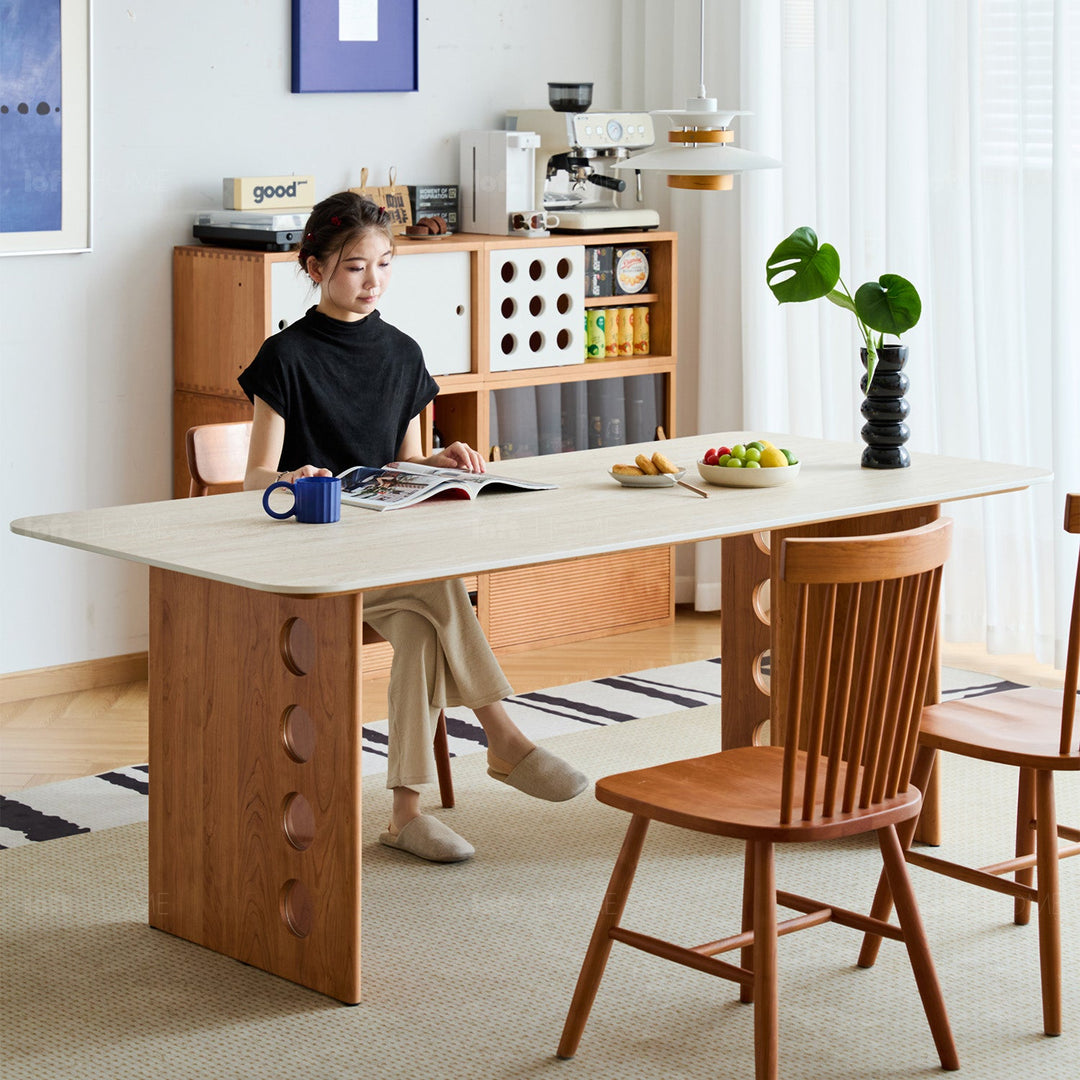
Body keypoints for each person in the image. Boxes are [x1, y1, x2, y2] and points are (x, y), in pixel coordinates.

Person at [238, 191, 588, 864]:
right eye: (354, 268)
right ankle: (504, 738)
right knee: (437, 591)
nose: (373, 282)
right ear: (314, 267)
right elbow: (254, 475)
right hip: (310, 562)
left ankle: (406, 813)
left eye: (386, 265)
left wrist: (441, 460)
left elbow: (402, 463)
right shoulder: (285, 356)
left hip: (386, 561)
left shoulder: (403, 353)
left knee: (424, 625)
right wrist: (295, 476)